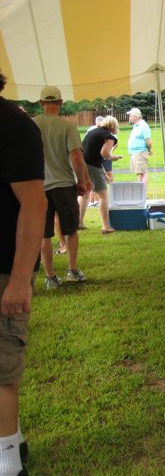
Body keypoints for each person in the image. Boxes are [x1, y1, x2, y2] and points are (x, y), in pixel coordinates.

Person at [0, 70, 48, 476]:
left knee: (1, 370)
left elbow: (34, 205)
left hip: (3, 270)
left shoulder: (13, 125)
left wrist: (19, 280)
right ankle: (12, 442)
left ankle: (8, 463)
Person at [33, 86, 92, 289]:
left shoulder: (32, 125)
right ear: (60, 102)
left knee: (44, 234)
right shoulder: (67, 125)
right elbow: (76, 156)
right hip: (64, 185)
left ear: (41, 103)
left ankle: (50, 277)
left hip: (39, 186)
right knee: (71, 229)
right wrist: (82, 181)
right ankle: (72, 271)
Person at [79, 116, 122, 234]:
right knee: (103, 196)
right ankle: (106, 226)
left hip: (81, 164)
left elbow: (91, 153)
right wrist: (113, 157)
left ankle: (79, 222)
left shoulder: (92, 132)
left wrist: (103, 173)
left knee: (84, 193)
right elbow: (104, 153)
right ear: (113, 127)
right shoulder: (109, 137)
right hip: (92, 165)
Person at [126, 108, 152, 185]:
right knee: (139, 173)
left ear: (136, 116)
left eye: (131, 116)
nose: (130, 118)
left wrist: (150, 149)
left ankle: (143, 191)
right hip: (134, 152)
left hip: (140, 152)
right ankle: (140, 190)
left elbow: (148, 141)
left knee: (142, 172)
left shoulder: (143, 126)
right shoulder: (136, 126)